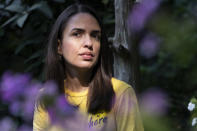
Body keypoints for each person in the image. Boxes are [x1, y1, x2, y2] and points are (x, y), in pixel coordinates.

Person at [33, 3, 144, 131]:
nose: (89, 43)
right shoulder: (46, 98)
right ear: (59, 46)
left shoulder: (120, 93)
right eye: (77, 34)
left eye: (95, 36)